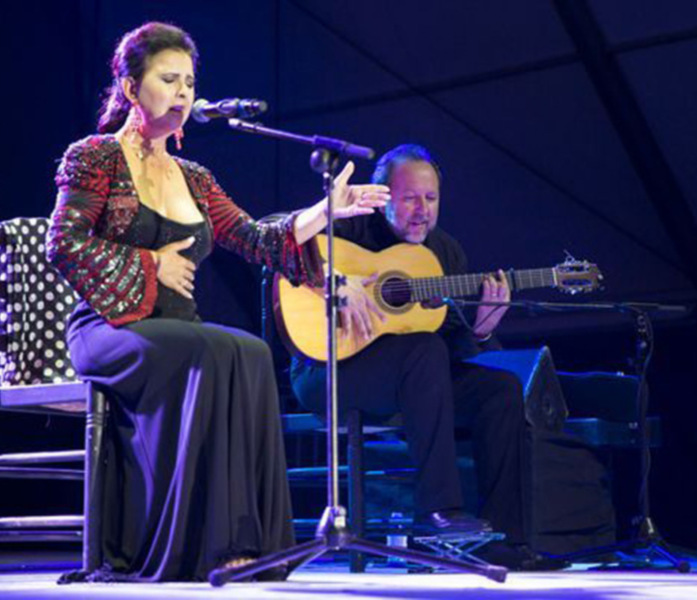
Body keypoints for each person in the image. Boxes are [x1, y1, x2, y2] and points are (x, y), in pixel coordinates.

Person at [46, 21, 388, 582]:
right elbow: (64, 243)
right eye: (168, 79)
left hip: (177, 329)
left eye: (188, 82)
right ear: (132, 88)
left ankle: (247, 546)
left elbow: (254, 239)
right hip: (108, 327)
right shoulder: (96, 157)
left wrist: (323, 210)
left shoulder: (195, 177)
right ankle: (201, 547)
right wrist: (151, 263)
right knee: (212, 352)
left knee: (249, 351)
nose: (182, 93)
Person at [291, 144, 546, 570]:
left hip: (411, 379)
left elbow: (453, 347)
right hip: (327, 369)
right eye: (409, 198)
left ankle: (507, 542)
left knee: (500, 389)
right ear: (383, 195)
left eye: (430, 199)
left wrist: (481, 328)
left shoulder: (444, 254)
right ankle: (438, 513)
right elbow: (272, 239)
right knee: (423, 352)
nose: (421, 210)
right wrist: (334, 279)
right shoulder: (351, 225)